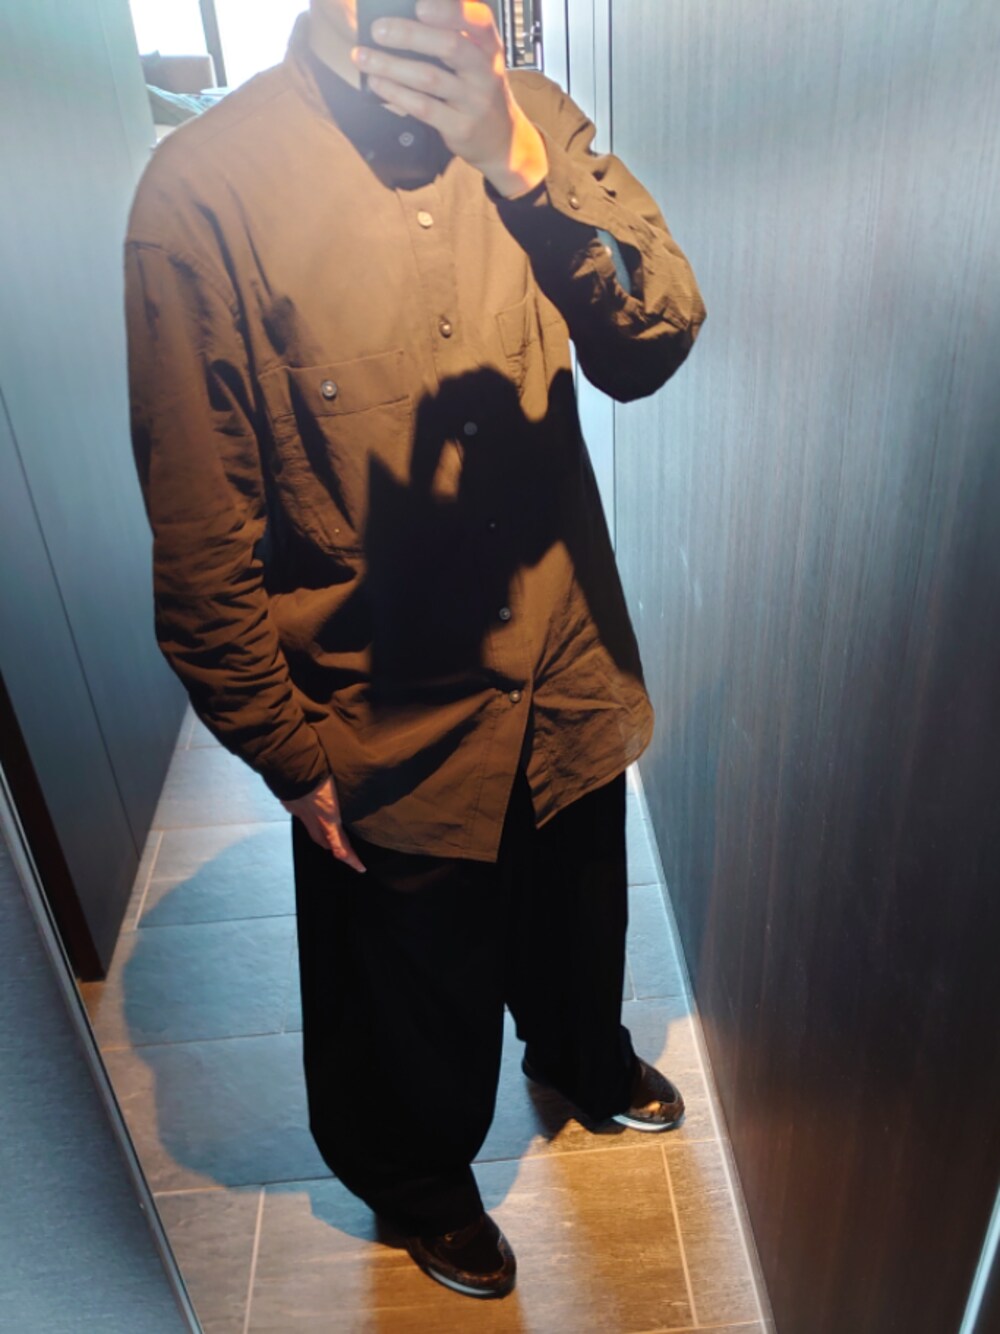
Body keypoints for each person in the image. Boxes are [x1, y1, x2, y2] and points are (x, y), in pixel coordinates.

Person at [125, 0, 706, 1301]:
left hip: (564, 663)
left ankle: (580, 1053)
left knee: (579, 911)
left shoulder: (531, 120)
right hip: (382, 713)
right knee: (408, 984)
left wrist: (520, 171)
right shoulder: (205, 191)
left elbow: (655, 335)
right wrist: (284, 754)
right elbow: (203, 533)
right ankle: (420, 1176)